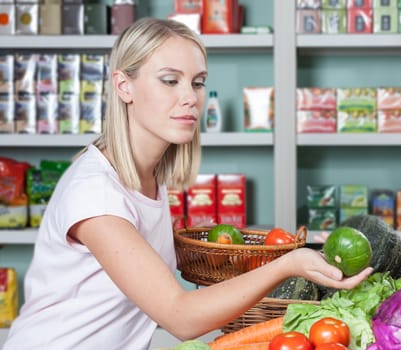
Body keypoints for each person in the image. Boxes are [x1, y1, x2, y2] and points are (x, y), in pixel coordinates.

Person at [3, 17, 373, 349]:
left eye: (197, 83)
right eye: (169, 80)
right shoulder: (95, 192)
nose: (189, 98)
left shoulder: (147, 176)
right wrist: (287, 264)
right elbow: (180, 318)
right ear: (124, 86)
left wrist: (283, 251)